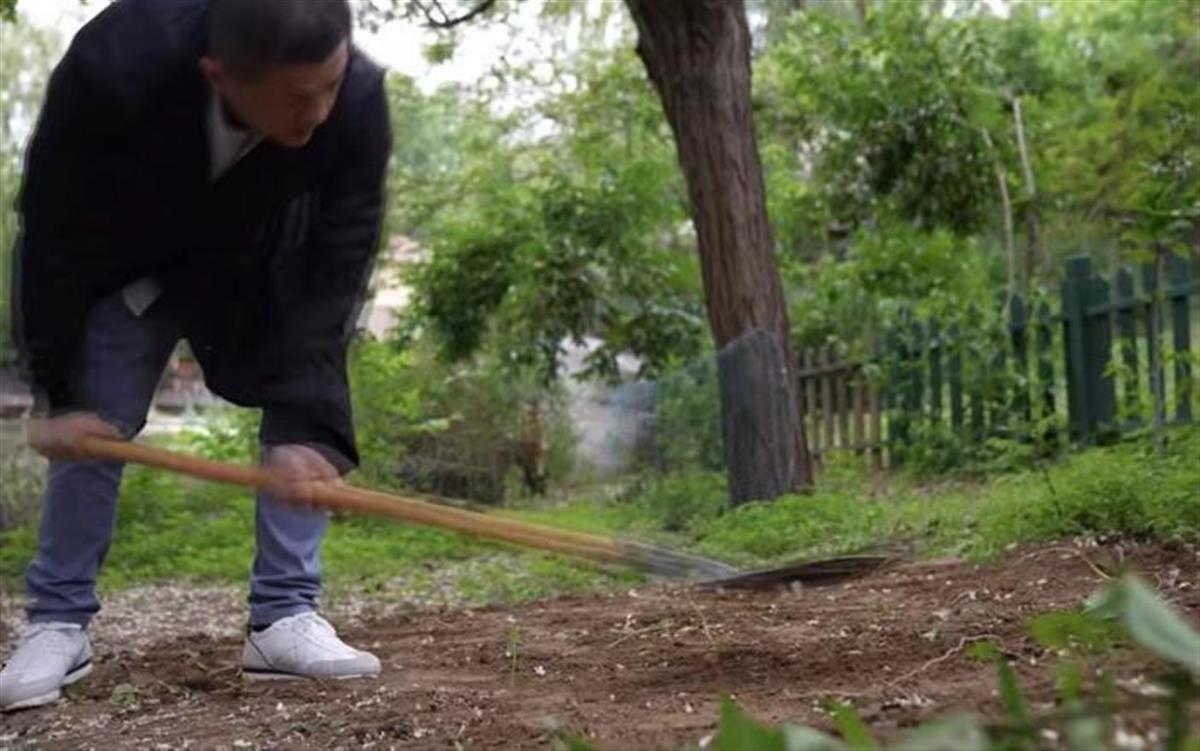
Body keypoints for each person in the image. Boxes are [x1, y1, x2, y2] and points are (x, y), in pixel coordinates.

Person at [1, 0, 391, 712]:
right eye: (299, 98)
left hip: (269, 263)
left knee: (308, 415)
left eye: (330, 85)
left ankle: (284, 615)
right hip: (128, 262)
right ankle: (57, 621)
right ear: (219, 75)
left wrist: (308, 412)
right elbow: (53, 227)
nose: (322, 111)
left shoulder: (355, 99)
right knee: (94, 420)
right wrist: (57, 387)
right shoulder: (113, 67)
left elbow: (339, 258)